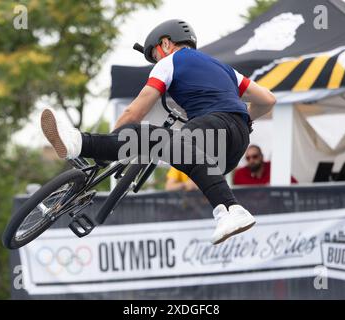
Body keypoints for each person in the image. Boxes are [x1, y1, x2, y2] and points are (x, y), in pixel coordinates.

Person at [40, 19, 276, 245]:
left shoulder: (171, 61)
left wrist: (111, 142)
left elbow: (135, 112)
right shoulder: (224, 69)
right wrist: (240, 120)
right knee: (180, 152)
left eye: (154, 56)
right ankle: (229, 211)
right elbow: (267, 99)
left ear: (166, 43)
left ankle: (76, 142)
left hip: (212, 126)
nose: (156, 62)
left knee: (147, 137)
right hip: (236, 143)